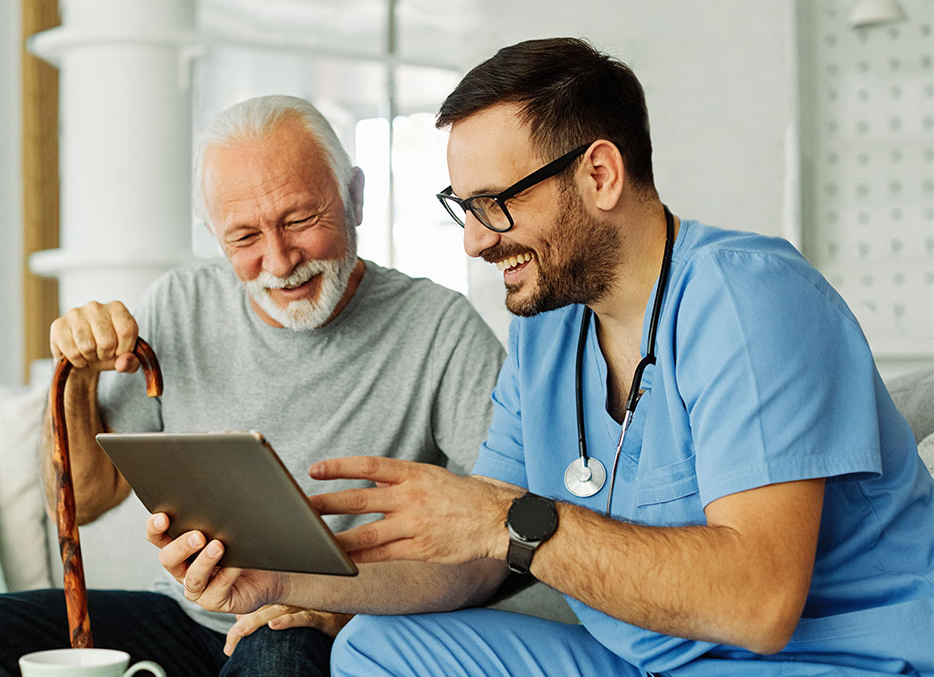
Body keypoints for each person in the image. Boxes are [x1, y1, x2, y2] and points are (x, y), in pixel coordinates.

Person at [155, 39, 934, 676]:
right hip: (641, 661)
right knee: (373, 650)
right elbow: (475, 562)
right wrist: (284, 581)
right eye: (462, 209)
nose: (473, 241)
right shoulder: (547, 327)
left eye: (496, 204)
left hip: (825, 662)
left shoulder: (749, 298)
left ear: (598, 174)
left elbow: (758, 605)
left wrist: (503, 516)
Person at [0, 95, 506, 676]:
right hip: (186, 616)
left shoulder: (440, 328)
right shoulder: (180, 303)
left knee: (278, 649)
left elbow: (503, 537)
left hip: (320, 623)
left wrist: (355, 610)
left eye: (300, 220)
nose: (278, 261)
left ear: (354, 197)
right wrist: (80, 376)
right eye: (244, 238)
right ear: (214, 235)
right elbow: (84, 501)